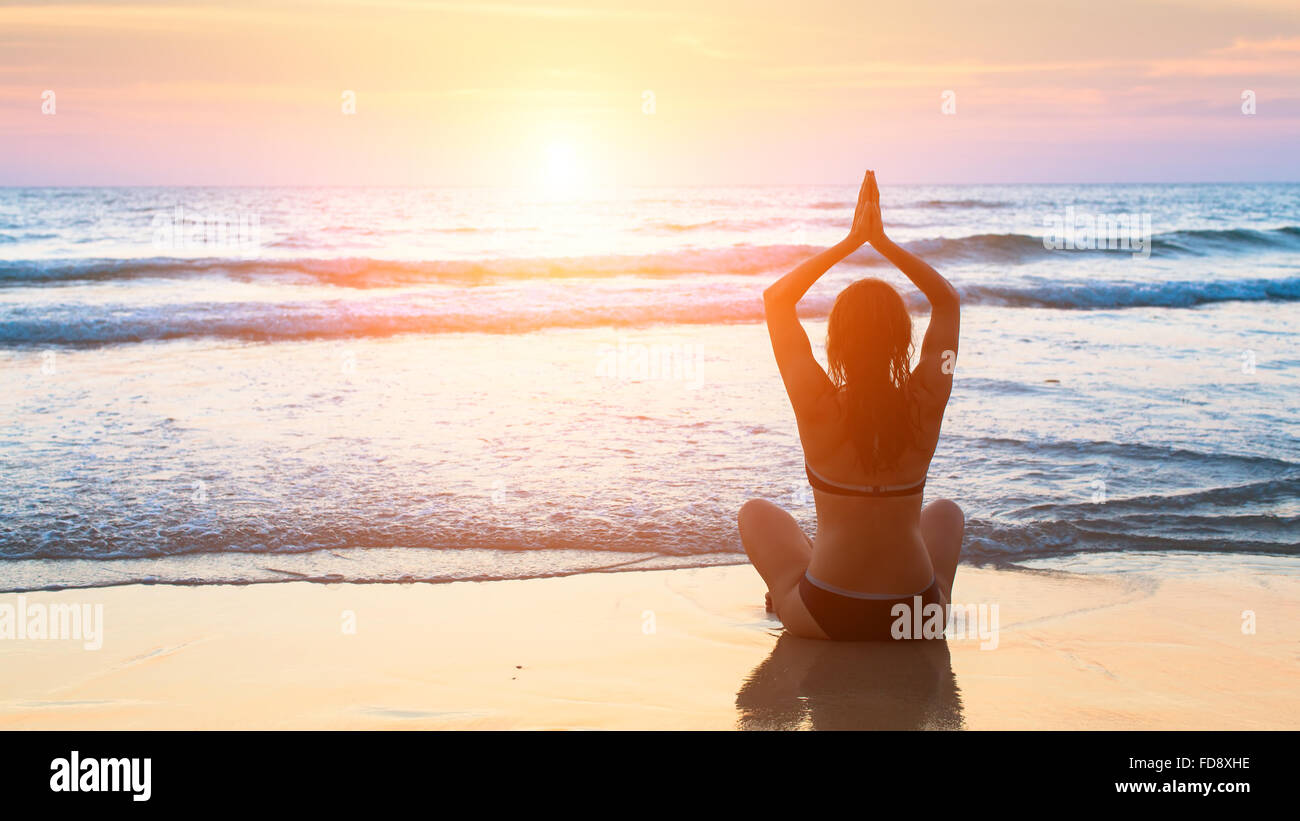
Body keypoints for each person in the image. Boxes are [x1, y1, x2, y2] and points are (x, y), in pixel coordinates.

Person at [739, 170, 964, 641]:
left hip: (828, 613)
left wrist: (850, 241)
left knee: (756, 514)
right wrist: (880, 242)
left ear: (835, 343)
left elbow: (777, 301)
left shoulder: (817, 405)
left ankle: (784, 593)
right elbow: (946, 302)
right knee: (946, 513)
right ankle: (937, 593)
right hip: (916, 617)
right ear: (905, 342)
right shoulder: (926, 401)